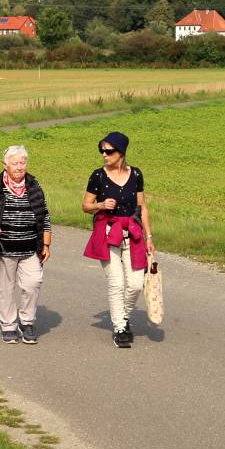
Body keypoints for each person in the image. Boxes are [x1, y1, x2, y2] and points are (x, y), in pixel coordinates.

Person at [82, 131, 152, 349]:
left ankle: (123, 317)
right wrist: (101, 205)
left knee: (135, 284)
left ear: (121, 152)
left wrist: (149, 236)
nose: (104, 154)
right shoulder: (98, 176)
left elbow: (142, 208)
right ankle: (120, 329)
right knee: (116, 283)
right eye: (102, 150)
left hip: (133, 234)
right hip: (107, 233)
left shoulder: (137, 175)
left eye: (109, 151)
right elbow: (85, 206)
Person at [0, 145, 52, 344]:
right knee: (4, 288)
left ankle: (27, 322)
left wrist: (46, 244)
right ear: (5, 165)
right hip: (3, 247)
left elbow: (44, 216)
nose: (19, 167)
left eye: (22, 162)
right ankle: (9, 326)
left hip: (30, 246)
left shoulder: (34, 185)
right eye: (15, 163)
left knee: (33, 283)